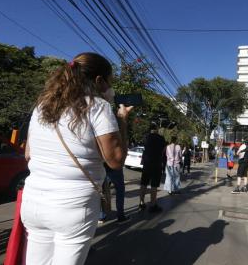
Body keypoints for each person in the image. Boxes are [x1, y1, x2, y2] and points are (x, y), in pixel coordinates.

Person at [22, 52, 132, 265]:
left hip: (33, 200)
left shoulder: (42, 106)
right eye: (110, 82)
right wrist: (122, 121)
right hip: (73, 205)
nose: (111, 87)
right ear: (99, 81)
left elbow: (28, 154)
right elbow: (116, 161)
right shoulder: (98, 107)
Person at [139, 124, 166, 213]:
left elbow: (145, 148)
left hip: (147, 163)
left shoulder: (146, 137)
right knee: (154, 185)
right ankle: (153, 204)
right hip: (156, 164)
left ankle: (141, 202)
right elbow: (163, 151)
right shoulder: (161, 138)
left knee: (143, 183)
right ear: (156, 129)